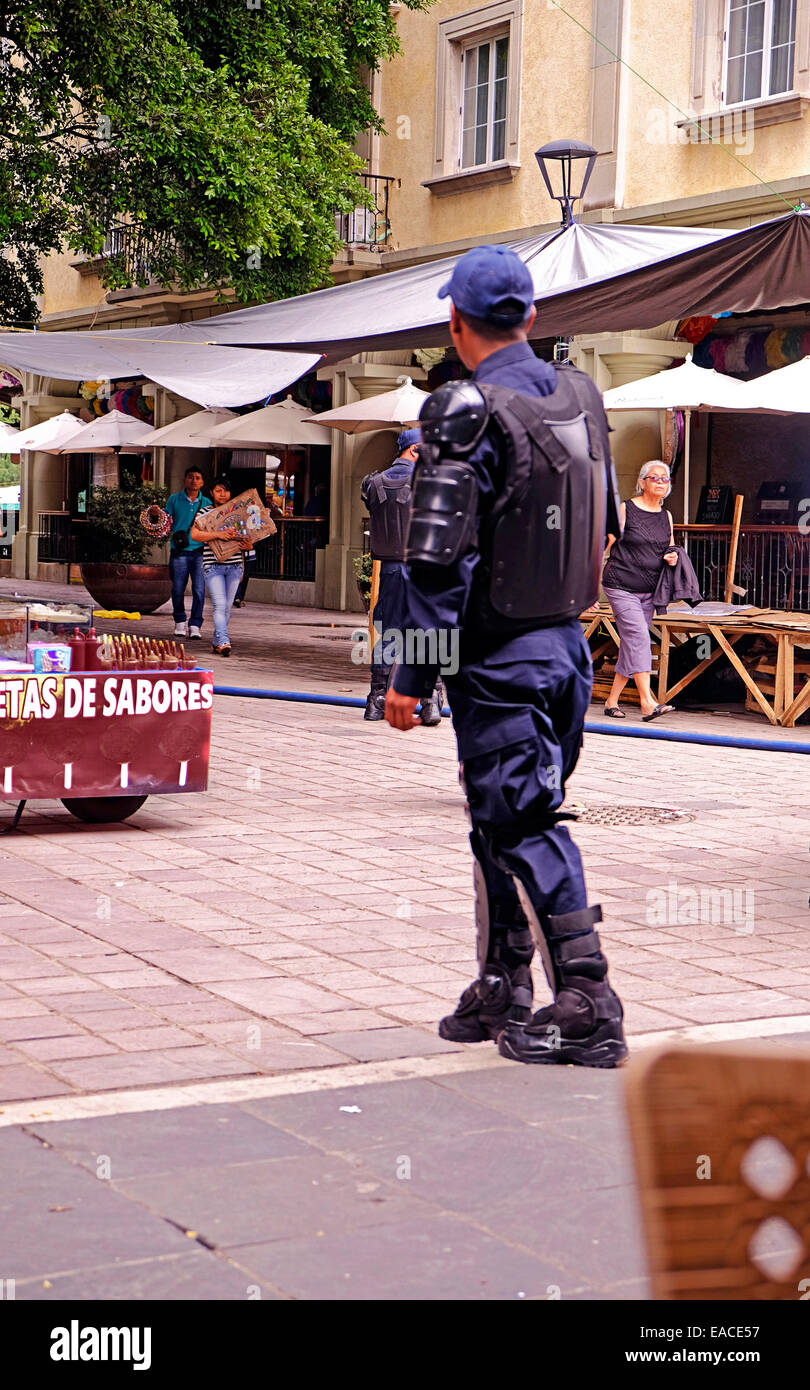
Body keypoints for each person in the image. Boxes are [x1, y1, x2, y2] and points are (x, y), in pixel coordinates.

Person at [385, 243, 628, 1068]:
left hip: (501, 657)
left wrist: (408, 677)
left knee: (523, 818)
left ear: (456, 323)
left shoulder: (467, 412)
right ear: (529, 316)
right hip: (565, 648)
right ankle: (504, 982)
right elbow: (607, 521)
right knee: (500, 818)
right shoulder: (583, 398)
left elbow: (435, 562)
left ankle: (589, 999)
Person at [361, 429, 444, 726]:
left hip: (392, 568)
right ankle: (430, 702)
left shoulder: (373, 482)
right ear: (414, 449)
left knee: (391, 633)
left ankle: (376, 700)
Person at [601, 461, 678, 721]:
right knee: (639, 638)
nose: (659, 482)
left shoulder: (666, 516)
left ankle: (611, 701)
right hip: (620, 584)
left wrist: (672, 558)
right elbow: (605, 545)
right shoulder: (626, 509)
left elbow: (670, 548)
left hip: (649, 589)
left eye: (664, 479)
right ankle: (647, 702)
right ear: (642, 481)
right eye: (654, 477)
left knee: (632, 644)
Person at [189, 475, 251, 656]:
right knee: (219, 604)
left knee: (226, 607)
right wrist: (217, 534)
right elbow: (195, 535)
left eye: (225, 490)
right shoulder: (205, 513)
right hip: (212, 565)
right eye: (218, 491)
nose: (222, 494)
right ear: (211, 493)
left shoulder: (238, 512)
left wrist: (248, 546)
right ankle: (224, 641)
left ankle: (217, 642)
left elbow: (250, 539)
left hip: (235, 566)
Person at [165, 467, 210, 640]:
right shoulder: (174, 499)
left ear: (202, 482)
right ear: (185, 479)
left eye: (198, 477)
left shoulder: (206, 503)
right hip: (179, 551)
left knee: (199, 590)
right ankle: (179, 622)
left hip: (200, 551)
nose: (194, 480)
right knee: (177, 589)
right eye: (190, 477)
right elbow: (166, 521)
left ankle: (195, 624)